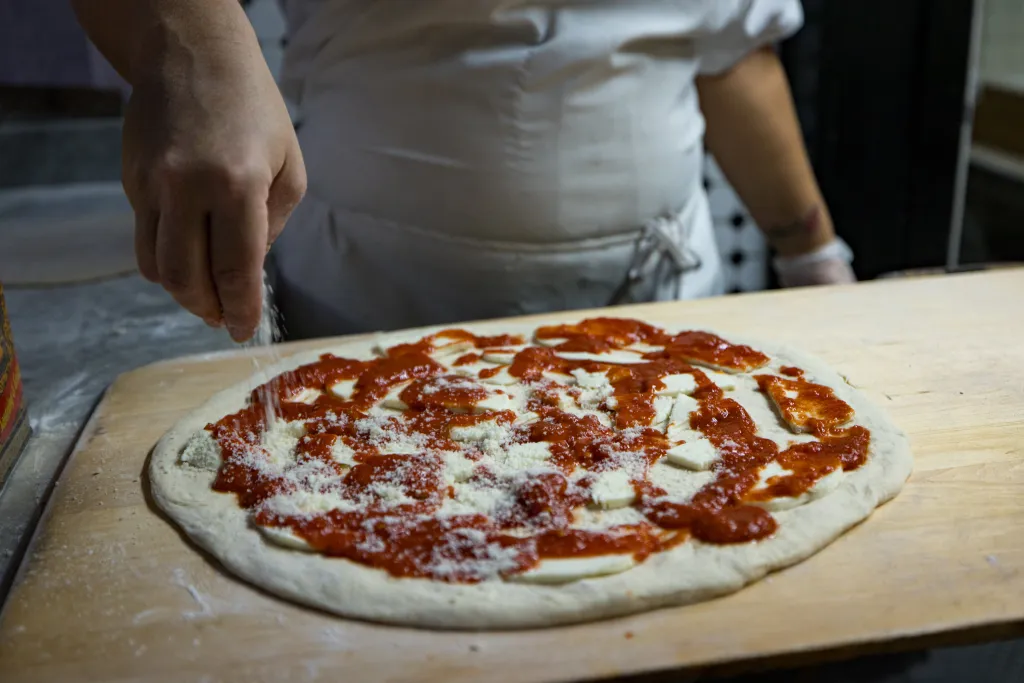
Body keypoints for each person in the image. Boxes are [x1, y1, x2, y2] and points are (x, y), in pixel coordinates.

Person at [74, 0, 854, 343]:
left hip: (658, 320)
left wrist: (812, 251)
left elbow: (733, 48)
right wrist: (184, 37)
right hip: (366, 322)